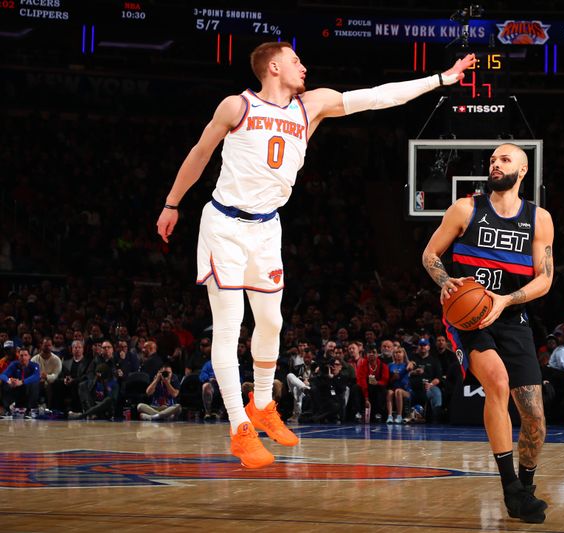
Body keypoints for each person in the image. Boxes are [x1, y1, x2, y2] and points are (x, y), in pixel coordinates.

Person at [156, 41, 476, 468]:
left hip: (268, 227)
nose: (303, 67)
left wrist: (441, 79)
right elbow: (200, 153)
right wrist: (172, 202)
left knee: (272, 321)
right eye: (295, 60)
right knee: (229, 327)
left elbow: (377, 96)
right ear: (273, 66)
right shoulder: (237, 106)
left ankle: (263, 404)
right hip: (225, 226)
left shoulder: (313, 106)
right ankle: (239, 428)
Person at [422, 143, 554, 524]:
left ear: (523, 169)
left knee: (534, 418)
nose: (495, 164)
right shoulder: (466, 208)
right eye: (493, 160)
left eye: (505, 159)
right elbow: (430, 255)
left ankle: (524, 488)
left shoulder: (538, 219)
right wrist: (446, 281)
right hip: (469, 318)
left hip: (511, 315)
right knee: (496, 382)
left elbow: (545, 278)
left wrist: (506, 300)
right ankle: (510, 487)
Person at [0, 348, 40, 417]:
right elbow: (3, 375)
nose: (23, 357)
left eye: (25, 355)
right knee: (4, 382)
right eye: (21, 355)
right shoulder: (14, 364)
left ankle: (29, 410)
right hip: (16, 389)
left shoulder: (35, 365)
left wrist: (22, 382)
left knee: (35, 383)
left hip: (27, 390)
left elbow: (36, 376)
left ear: (29, 357)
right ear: (18, 357)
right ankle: (7, 409)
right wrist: (9, 381)